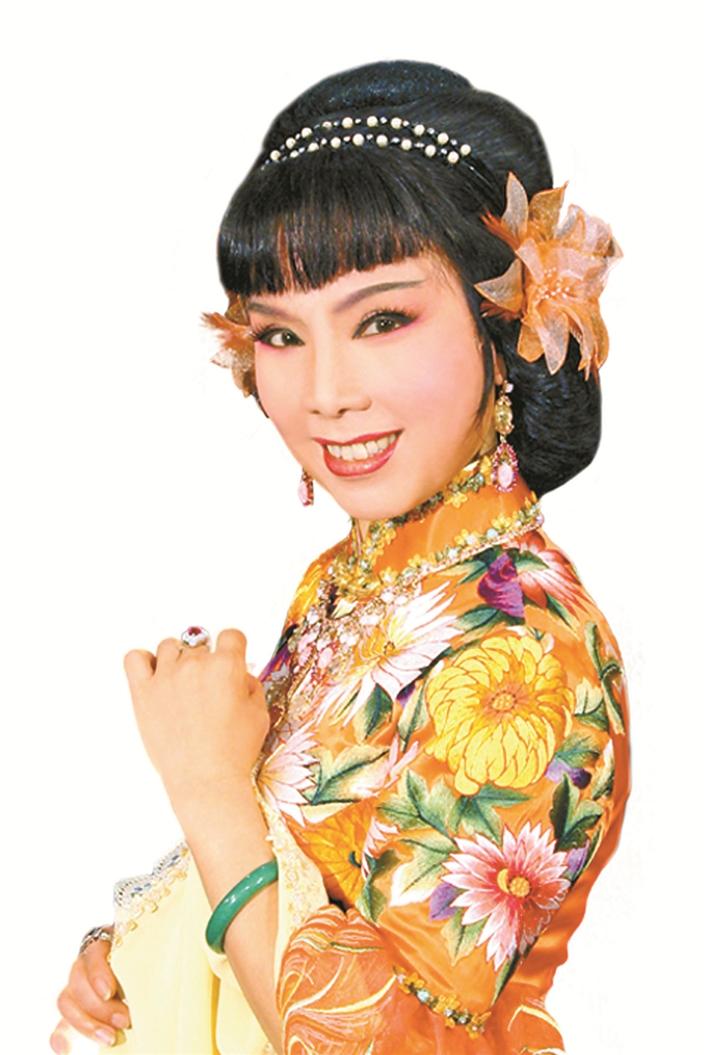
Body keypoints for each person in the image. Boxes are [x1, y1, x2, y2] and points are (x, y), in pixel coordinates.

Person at [49, 58, 630, 1055]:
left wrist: (203, 784)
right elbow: (298, 860)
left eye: (382, 320)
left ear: (503, 324)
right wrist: (140, 942)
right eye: (281, 335)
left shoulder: (528, 649)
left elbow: (382, 1042)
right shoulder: (352, 576)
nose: (325, 392)